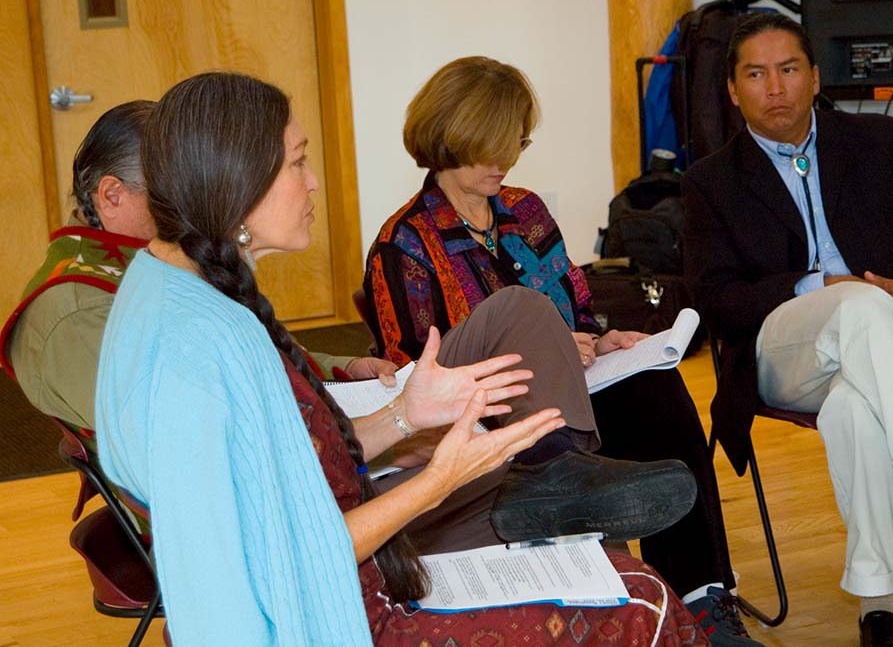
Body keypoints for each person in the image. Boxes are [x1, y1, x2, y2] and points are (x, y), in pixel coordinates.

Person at [96, 71, 710, 645]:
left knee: (614, 563)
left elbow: (285, 479)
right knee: (642, 602)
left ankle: (553, 482)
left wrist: (404, 418)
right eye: (299, 161)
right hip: (348, 614)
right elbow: (294, 558)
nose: (313, 182)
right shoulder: (196, 350)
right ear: (237, 178)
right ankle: (545, 489)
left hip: (353, 568)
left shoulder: (178, 295)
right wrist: (441, 479)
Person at [365, 56, 762, 646]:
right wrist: (545, 350)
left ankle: (703, 597)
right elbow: (413, 379)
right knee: (573, 368)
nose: (504, 161)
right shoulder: (404, 246)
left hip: (576, 399)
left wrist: (601, 341)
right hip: (491, 425)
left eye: (515, 143)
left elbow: (575, 306)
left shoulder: (526, 211)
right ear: (449, 138)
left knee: (656, 385)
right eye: (488, 145)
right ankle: (581, 516)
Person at [681, 12, 893, 646]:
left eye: (789, 69)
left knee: (857, 408)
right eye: (757, 74)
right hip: (783, 353)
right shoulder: (709, 181)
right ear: (733, 90)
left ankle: (878, 609)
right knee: (855, 304)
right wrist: (818, 287)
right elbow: (716, 299)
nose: (776, 88)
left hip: (883, 345)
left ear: (816, 76)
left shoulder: (875, 142)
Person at [0, 101, 395, 532]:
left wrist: (339, 366)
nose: (195, 202)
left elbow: (247, 360)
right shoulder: (75, 314)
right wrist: (377, 433)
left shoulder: (156, 261)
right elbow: (191, 454)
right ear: (113, 196)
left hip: (269, 461)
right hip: (220, 518)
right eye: (171, 191)